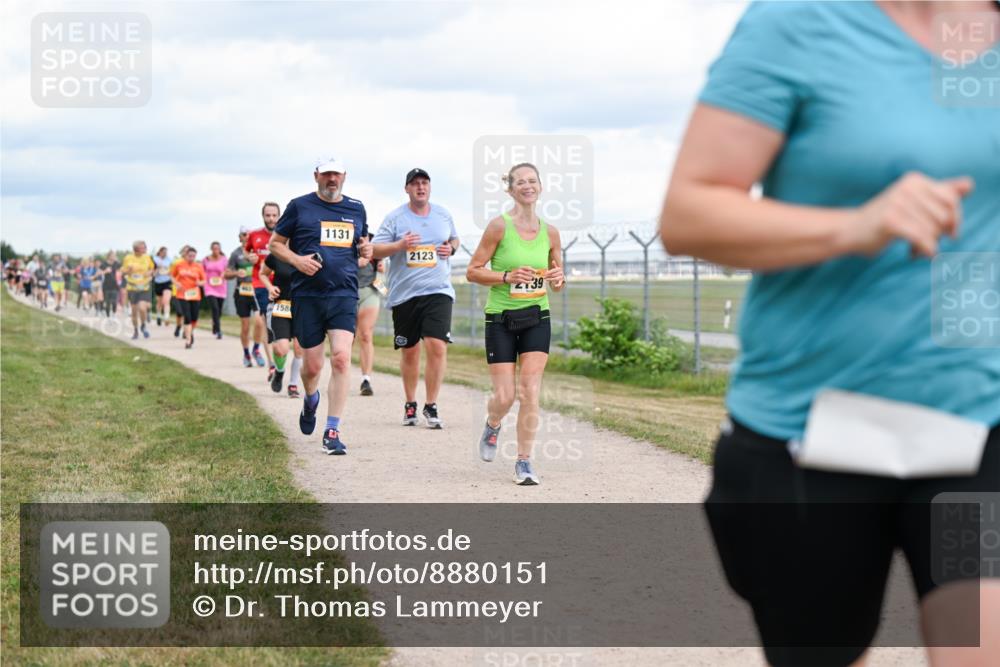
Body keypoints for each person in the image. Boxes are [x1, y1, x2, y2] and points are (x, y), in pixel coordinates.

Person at [658, 3, 1000, 666]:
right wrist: (856, 226)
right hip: (812, 434)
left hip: (977, 420)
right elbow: (688, 213)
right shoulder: (800, 21)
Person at [466, 163, 564, 486]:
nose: (527, 186)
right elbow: (473, 270)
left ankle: (524, 462)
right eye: (519, 182)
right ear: (510, 190)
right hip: (501, 318)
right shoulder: (498, 227)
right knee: (506, 395)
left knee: (529, 390)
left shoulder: (551, 232)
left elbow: (557, 277)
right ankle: (493, 423)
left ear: (540, 186)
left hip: (537, 316)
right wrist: (506, 276)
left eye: (532, 181)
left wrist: (559, 278)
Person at [268, 157, 373, 455]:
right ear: (316, 175)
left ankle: (332, 430)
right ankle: (310, 398)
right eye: (326, 174)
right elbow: (275, 244)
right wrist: (297, 260)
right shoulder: (300, 206)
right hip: (308, 296)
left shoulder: (356, 207)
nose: (331, 179)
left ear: (344, 177)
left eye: (336, 174)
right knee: (312, 367)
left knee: (341, 358)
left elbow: (362, 246)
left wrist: (366, 249)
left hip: (343, 294)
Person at [371, 168, 459, 429]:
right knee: (410, 351)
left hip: (438, 290)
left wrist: (451, 248)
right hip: (405, 294)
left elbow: (454, 238)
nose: (420, 187)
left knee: (437, 345)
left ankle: (431, 405)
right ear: (407, 189)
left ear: (429, 187)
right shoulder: (395, 218)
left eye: (425, 183)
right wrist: (399, 246)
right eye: (415, 184)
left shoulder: (443, 214)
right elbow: (374, 248)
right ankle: (410, 402)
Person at [247, 204, 279, 380]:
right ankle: (272, 365)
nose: (271, 219)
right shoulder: (254, 235)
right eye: (268, 215)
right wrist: (250, 257)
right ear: (263, 216)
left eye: (274, 215)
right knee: (266, 323)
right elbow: (247, 252)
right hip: (261, 282)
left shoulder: (284, 236)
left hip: (282, 283)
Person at [259, 251, 295, 393]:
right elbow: (263, 273)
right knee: (281, 349)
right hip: (280, 305)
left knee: (299, 349)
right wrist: (270, 287)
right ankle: (279, 372)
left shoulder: (310, 253)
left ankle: (293, 384)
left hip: (302, 307)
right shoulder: (277, 255)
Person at [225, 228, 261, 366]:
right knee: (245, 326)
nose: (246, 237)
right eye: (243, 235)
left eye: (248, 234)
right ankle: (246, 354)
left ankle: (256, 349)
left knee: (259, 322)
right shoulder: (236, 254)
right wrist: (235, 273)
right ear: (239, 237)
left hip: (257, 291)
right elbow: (226, 275)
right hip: (242, 291)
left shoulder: (258, 251)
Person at [354, 233, 384, 396]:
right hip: (347, 293)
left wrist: (381, 268)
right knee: (347, 338)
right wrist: (355, 263)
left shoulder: (374, 243)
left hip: (370, 292)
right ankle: (340, 372)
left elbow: (383, 274)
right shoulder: (345, 241)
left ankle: (366, 380)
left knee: (365, 334)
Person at [170, 246, 206, 349]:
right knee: (187, 316)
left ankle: (190, 332)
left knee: (194, 318)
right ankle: (188, 340)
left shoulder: (198, 266)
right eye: (190, 256)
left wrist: (200, 283)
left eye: (194, 256)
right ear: (186, 255)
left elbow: (204, 280)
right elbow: (172, 276)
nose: (192, 258)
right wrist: (176, 283)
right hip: (182, 294)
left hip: (195, 295)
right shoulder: (179, 265)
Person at [121, 240, 155, 339]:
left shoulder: (147, 257)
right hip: (132, 287)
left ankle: (143, 325)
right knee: (134, 311)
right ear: (136, 249)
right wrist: (128, 270)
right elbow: (123, 272)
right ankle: (135, 330)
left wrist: (150, 273)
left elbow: (152, 268)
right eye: (143, 248)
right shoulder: (128, 258)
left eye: (145, 247)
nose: (145, 249)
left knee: (142, 308)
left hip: (144, 286)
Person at [202, 241, 228, 339]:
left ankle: (214, 324)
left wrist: (224, 273)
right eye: (214, 248)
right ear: (211, 249)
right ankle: (219, 331)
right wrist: (204, 279)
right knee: (215, 308)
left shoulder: (224, 259)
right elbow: (202, 271)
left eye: (217, 248)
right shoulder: (206, 259)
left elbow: (227, 270)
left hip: (221, 287)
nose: (216, 250)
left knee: (219, 311)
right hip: (209, 287)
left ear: (220, 249)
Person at [152, 246, 173, 326]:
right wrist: (158, 268)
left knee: (166, 301)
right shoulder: (155, 259)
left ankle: (166, 317)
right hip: (158, 282)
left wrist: (170, 272)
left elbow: (172, 270)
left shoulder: (169, 260)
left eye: (166, 252)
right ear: (160, 252)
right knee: (159, 302)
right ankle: (158, 315)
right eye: (163, 252)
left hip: (167, 282)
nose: (165, 254)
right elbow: (153, 274)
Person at [101, 250, 120, 317]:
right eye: (112, 255)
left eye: (114, 255)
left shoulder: (117, 264)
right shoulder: (104, 264)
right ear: (108, 256)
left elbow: (121, 271)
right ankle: (108, 316)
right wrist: (105, 271)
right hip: (106, 286)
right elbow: (99, 273)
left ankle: (114, 314)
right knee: (108, 302)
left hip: (115, 285)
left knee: (114, 302)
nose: (113, 257)